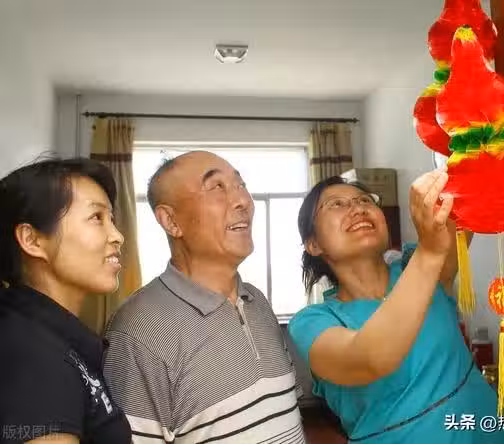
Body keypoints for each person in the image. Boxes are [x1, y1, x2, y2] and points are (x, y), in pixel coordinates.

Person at [288, 172, 504, 443]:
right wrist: (429, 252)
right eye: (336, 204)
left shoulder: (414, 265)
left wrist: (464, 155)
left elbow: (468, 197)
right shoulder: (313, 321)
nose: (358, 208)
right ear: (313, 244)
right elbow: (368, 359)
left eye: (365, 200)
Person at [103, 151, 305, 444]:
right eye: (217, 187)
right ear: (171, 221)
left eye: (241, 185)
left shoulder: (257, 301)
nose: (243, 200)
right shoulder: (137, 330)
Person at [0, 158, 132, 444]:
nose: (118, 236)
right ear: (32, 240)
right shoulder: (32, 355)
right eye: (96, 217)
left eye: (111, 219)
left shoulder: (53, 336)